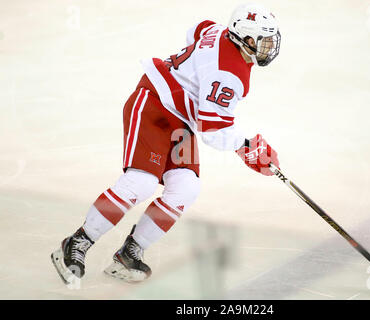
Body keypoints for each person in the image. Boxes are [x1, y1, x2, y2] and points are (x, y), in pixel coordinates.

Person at [51, 2, 281, 284]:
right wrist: (248, 146)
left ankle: (129, 253)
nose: (270, 46)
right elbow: (211, 130)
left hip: (179, 121)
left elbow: (196, 30)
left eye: (271, 39)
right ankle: (76, 243)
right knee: (141, 182)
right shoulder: (229, 74)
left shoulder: (219, 30)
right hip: (153, 104)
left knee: (186, 188)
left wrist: (194, 75)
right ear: (244, 38)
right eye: (263, 40)